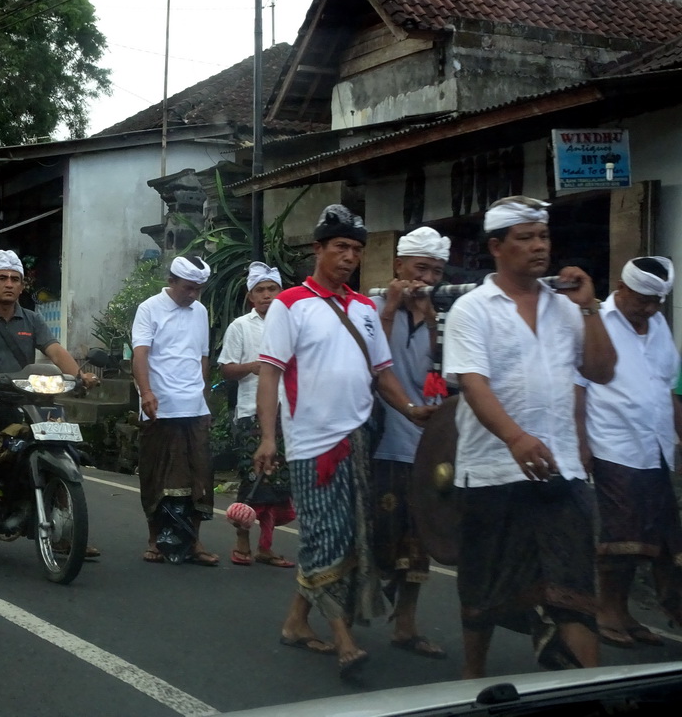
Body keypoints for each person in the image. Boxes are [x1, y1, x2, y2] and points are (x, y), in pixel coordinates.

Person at [254, 204, 434, 675]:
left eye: (356, 249)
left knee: (350, 536)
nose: (349, 256)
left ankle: (296, 622)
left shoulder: (364, 309)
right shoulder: (289, 303)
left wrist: (412, 410)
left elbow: (383, 373)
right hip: (312, 444)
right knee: (324, 536)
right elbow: (270, 373)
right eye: (341, 247)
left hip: (359, 441)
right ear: (318, 249)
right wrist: (268, 438)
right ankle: (342, 636)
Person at [442, 195, 616, 678]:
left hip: (562, 471)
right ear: (496, 247)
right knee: (482, 590)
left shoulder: (566, 307)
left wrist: (590, 309)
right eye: (526, 238)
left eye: (543, 236)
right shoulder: (473, 309)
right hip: (492, 471)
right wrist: (515, 438)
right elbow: (472, 382)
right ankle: (472, 678)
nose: (540, 247)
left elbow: (600, 371)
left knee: (575, 591)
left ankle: (587, 691)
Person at [0, 250, 99, 541]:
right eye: (2, 278)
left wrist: (79, 376)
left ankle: (67, 523)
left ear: (22, 286)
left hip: (25, 397)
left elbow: (55, 351)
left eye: (15, 279)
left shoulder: (32, 320)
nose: (9, 284)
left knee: (59, 433)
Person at [575, 256, 682, 647]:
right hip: (613, 442)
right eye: (643, 301)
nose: (650, 310)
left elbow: (666, 387)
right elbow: (578, 385)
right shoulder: (596, 321)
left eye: (657, 303)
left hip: (655, 446)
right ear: (622, 289)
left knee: (651, 535)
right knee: (619, 536)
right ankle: (605, 611)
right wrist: (581, 443)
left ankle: (625, 612)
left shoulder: (657, 324)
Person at [369, 226, 450, 660]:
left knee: (419, 541)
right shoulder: (371, 306)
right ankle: (341, 613)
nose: (429, 279)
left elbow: (440, 376)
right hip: (385, 441)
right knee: (378, 536)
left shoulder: (442, 311)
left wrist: (433, 321)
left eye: (437, 270)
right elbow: (372, 364)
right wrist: (392, 308)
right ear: (399, 265)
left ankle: (406, 625)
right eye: (422, 268)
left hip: (427, 442)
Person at [132, 255, 219, 566]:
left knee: (200, 475)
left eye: (198, 289)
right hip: (160, 405)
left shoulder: (200, 311)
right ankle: (154, 541)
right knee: (156, 474)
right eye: (187, 288)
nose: (192, 295)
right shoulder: (149, 308)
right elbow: (140, 353)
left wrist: (204, 399)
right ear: (171, 282)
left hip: (193, 405)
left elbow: (203, 358)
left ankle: (194, 542)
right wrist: (147, 392)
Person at [218, 261, 295, 569]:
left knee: (278, 486)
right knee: (253, 481)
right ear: (251, 297)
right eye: (260, 290)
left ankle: (266, 546)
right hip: (251, 414)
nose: (266, 295)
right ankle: (242, 543)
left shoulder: (291, 324)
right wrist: (253, 366)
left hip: (286, 414)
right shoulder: (240, 326)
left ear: (281, 292)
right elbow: (226, 369)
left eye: (271, 289)